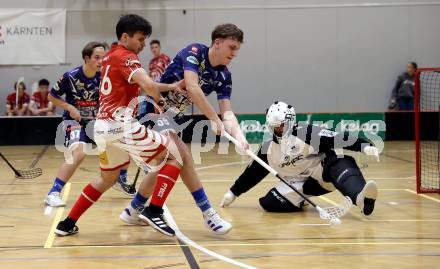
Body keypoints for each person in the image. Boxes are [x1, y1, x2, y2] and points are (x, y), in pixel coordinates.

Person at [55, 14, 183, 237]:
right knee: (175, 156)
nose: (143, 44)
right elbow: (147, 84)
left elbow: (145, 85)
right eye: (140, 39)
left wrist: (170, 86)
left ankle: (66, 223)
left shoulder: (110, 57)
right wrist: (162, 103)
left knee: (107, 179)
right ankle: (154, 210)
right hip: (120, 126)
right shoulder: (127, 56)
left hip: (103, 128)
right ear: (125, 37)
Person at [120, 23, 248, 235]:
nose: (234, 53)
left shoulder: (224, 76)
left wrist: (240, 138)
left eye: (237, 49)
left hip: (171, 118)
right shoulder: (195, 52)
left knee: (166, 163)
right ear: (217, 43)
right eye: (231, 47)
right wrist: (213, 118)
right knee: (182, 157)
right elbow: (192, 86)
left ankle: (133, 210)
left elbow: (228, 112)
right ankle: (208, 214)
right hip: (151, 107)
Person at [221, 101, 379, 216]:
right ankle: (302, 200)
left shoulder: (306, 133)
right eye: (274, 126)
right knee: (268, 203)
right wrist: (233, 193)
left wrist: (364, 146)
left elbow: (337, 138)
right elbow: (252, 174)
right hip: (298, 185)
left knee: (340, 159)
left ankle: (361, 198)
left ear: (291, 122)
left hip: (322, 174)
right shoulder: (267, 150)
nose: (278, 130)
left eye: (282, 125)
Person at [44, 42, 108, 207]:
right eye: (97, 57)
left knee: (120, 144)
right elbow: (52, 96)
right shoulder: (70, 76)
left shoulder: (104, 77)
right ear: (86, 58)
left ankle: (120, 178)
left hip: (96, 122)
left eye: (103, 58)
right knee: (78, 154)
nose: (101, 61)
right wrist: (69, 107)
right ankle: (53, 193)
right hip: (74, 122)